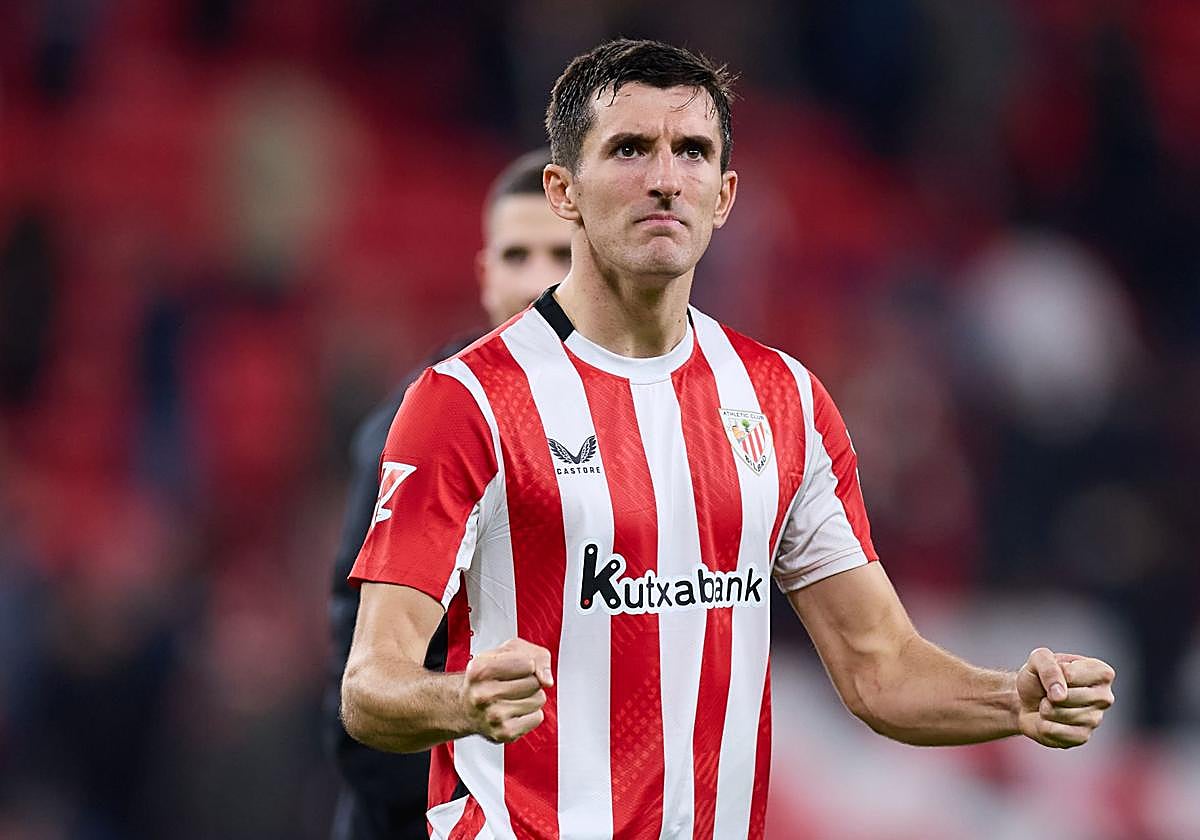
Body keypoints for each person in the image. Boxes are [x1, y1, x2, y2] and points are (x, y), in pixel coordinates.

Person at [340, 40, 1117, 840]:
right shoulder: (466, 402)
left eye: (693, 153)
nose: (665, 179)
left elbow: (878, 667)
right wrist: (459, 698)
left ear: (724, 195)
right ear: (563, 193)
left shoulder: (783, 402)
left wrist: (1011, 704)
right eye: (630, 149)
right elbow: (370, 686)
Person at [326, 149, 573, 840]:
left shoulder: (656, 422)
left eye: (561, 253)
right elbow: (363, 684)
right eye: (517, 255)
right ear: (484, 271)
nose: (537, 281)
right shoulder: (413, 427)